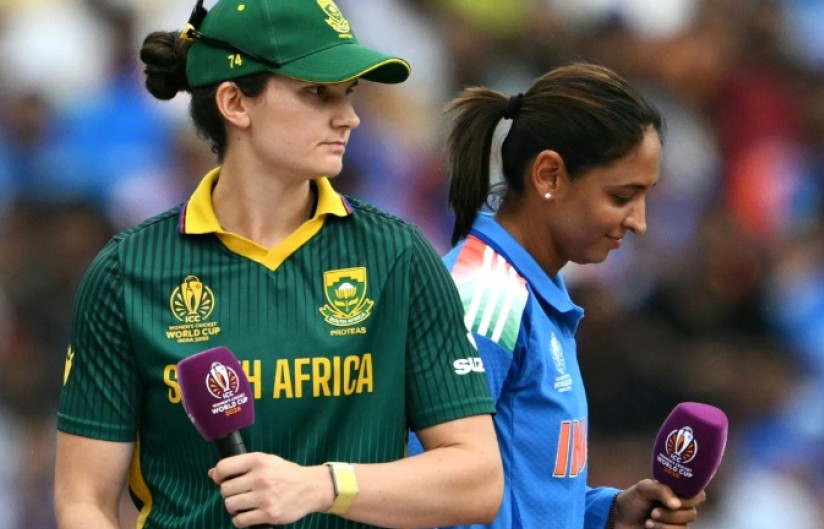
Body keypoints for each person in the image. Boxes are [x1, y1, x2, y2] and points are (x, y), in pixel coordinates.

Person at [53, 1, 503, 528]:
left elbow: (477, 480)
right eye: (318, 92)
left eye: (349, 93)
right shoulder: (126, 272)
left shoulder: (400, 256)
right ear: (234, 103)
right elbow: (84, 499)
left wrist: (321, 486)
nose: (350, 116)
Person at [410, 62, 707, 529]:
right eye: (622, 196)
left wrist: (603, 513)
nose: (639, 221)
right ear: (549, 175)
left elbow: (522, 487)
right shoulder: (485, 298)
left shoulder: (536, 290)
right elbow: (436, 493)